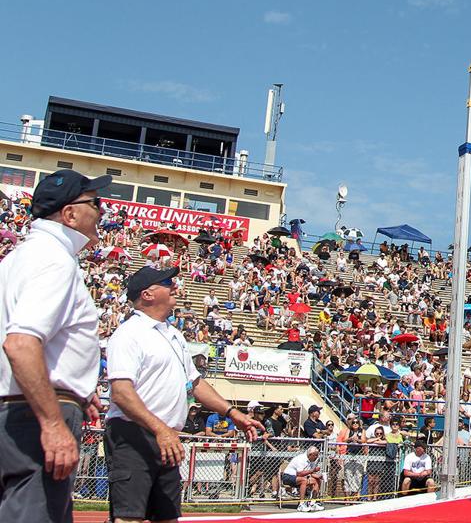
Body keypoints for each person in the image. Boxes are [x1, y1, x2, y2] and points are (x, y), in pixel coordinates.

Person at [105, 265, 265, 523]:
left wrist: (233, 413)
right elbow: (122, 394)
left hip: (166, 436)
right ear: (147, 294)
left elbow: (196, 384)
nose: (174, 286)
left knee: (168, 517)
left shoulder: (174, 335)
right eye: (167, 282)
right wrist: (161, 430)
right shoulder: (128, 334)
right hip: (134, 434)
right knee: (129, 517)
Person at [0, 170, 109, 523]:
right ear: (70, 214)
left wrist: (76, 385)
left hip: (16, 408)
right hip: (33, 415)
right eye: (95, 203)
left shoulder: (18, 258)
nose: (102, 211)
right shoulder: (54, 260)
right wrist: (51, 421)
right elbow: (19, 343)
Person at [281, 446, 324, 512]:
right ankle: (301, 504)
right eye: (315, 455)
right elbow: (300, 474)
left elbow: (311, 473)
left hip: (299, 478)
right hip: (288, 477)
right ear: (310, 455)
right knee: (304, 480)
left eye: (317, 455)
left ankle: (312, 503)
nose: (316, 457)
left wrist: (318, 476)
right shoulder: (301, 459)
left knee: (317, 480)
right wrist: (313, 470)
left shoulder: (312, 460)